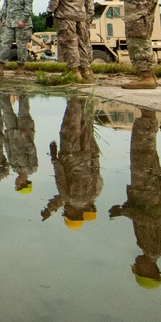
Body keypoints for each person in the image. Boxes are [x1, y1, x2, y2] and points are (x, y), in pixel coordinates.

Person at [109, 108, 161, 290]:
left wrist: (126, 210)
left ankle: (148, 116)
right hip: (149, 191)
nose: (136, 264)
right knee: (143, 151)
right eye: (139, 268)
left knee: (144, 153)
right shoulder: (154, 249)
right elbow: (150, 219)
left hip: (146, 191)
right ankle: (148, 116)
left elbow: (145, 218)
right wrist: (124, 212)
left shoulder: (150, 248)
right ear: (149, 270)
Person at [41, 97, 103, 230]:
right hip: (68, 155)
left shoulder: (92, 194)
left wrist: (50, 209)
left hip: (85, 155)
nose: (65, 211)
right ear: (74, 214)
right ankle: (74, 96)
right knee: (70, 124)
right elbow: (60, 175)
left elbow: (96, 171)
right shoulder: (69, 198)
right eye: (66, 213)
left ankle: (86, 97)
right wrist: (53, 156)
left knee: (85, 123)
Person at [46, 0, 93, 82]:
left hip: (66, 15)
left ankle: (74, 71)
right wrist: (88, 13)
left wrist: (49, 12)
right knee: (82, 43)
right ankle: (87, 71)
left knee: (69, 43)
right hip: (81, 15)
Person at [0, 0, 33, 73]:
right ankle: (0, 66)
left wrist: (22, 20)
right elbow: (5, 5)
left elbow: (28, 7)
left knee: (21, 46)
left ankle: (20, 67)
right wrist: (3, 17)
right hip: (9, 23)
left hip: (22, 24)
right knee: (4, 43)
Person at [2, 94, 37, 195]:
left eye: (16, 184)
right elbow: (32, 150)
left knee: (6, 111)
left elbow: (9, 151)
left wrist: (6, 138)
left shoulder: (14, 167)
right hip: (24, 132)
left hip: (12, 134)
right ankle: (22, 90)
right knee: (23, 109)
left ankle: (3, 91)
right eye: (18, 184)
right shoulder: (32, 168)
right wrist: (25, 137)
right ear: (25, 183)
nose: (16, 182)